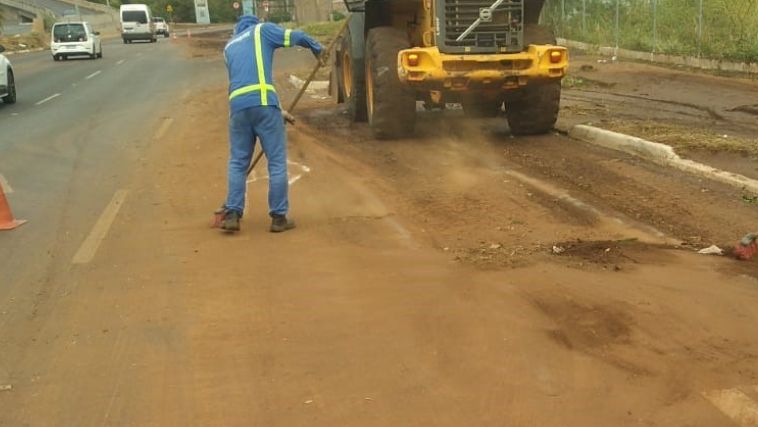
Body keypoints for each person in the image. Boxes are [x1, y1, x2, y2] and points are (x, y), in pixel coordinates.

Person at [220, 15, 323, 233]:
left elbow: (245, 82)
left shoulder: (229, 47)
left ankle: (232, 213)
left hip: (238, 110)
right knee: (276, 162)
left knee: (238, 162)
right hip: (264, 105)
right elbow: (297, 36)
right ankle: (278, 218)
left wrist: (280, 112)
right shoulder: (261, 31)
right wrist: (317, 48)